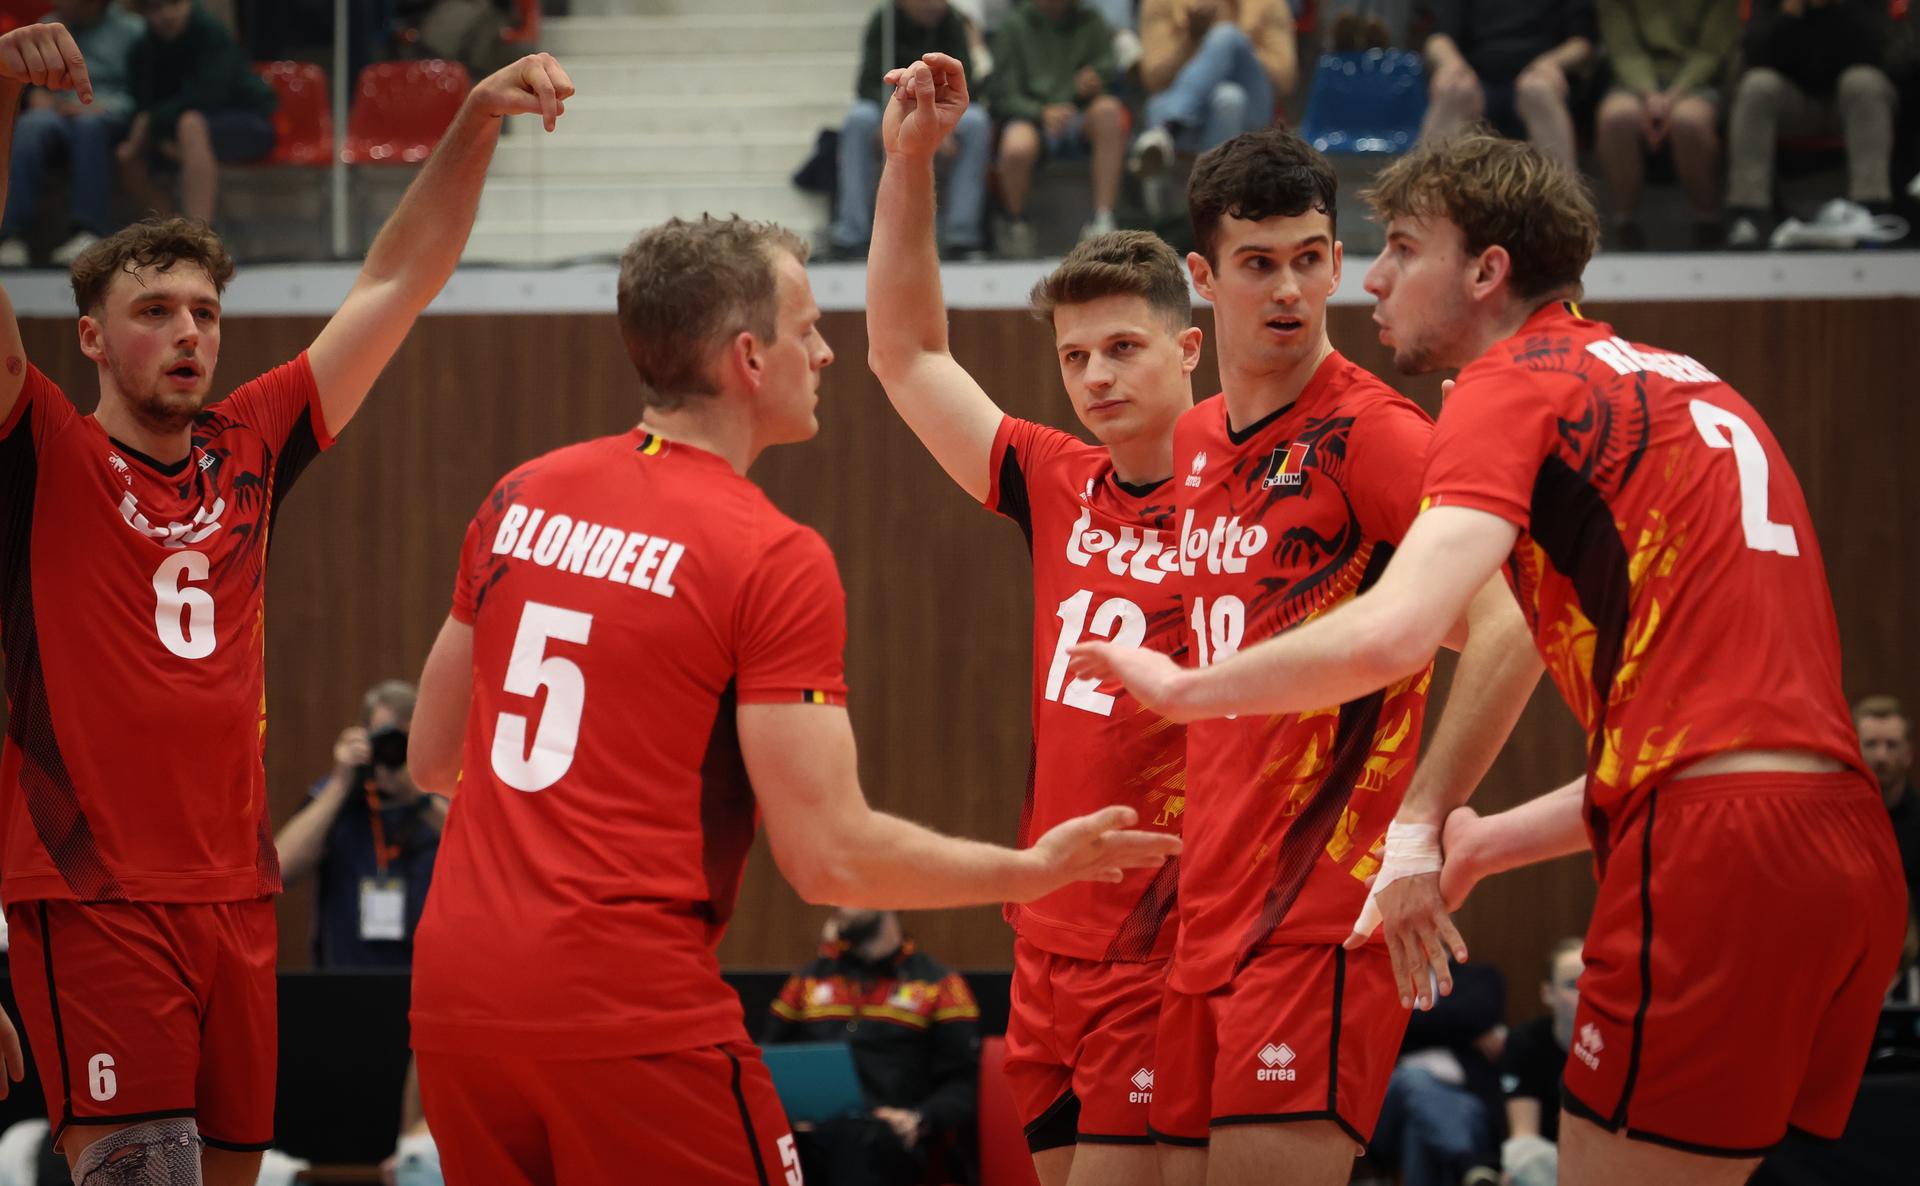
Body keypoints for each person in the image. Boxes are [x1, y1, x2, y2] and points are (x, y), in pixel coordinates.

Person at [1071, 130, 1908, 1184]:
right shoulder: (1694, 383)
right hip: (1843, 843)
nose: (1366, 277)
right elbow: (1708, 743)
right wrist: (1478, 841)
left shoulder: (1505, 388)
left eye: (1401, 249)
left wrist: (1189, 689)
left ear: (1487, 271)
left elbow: (1399, 630)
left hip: (1701, 850)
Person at [402, 213, 1181, 1186]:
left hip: (453, 1000)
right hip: (624, 1002)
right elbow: (829, 857)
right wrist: (1030, 869)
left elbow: (435, 758)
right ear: (748, 358)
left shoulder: (521, 493)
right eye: (807, 329)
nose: (823, 352)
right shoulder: (767, 551)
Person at [0, 20, 576, 1182]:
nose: (187, 332)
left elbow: (399, 279)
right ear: (92, 338)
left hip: (239, 891)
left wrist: (471, 122)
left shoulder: (252, 442)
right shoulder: (43, 449)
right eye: (155, 309)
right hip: (97, 894)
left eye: (205, 311)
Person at [1097, 125, 1536, 1186]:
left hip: (1321, 915)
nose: (1289, 288)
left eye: (1309, 257)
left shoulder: (1378, 434)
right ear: (1202, 278)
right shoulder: (1196, 438)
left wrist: (1422, 828)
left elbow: (1510, 625)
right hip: (1203, 918)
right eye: (1258, 264)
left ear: (1339, 260)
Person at [867, 54, 1194, 1186]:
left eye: (1122, 347)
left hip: (1170, 940)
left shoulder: (1258, 499)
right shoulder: (1054, 478)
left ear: (1189, 347)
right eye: (1073, 356)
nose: (1094, 376)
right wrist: (910, 164)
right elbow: (907, 357)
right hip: (1046, 933)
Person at [763, 909, 981, 1186]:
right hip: (811, 1133)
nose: (839, 900)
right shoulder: (807, 980)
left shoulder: (940, 985)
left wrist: (917, 1118)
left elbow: (964, 1084)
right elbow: (764, 1062)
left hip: (889, 1138)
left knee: (855, 1140)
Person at [274, 680, 445, 969]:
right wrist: (341, 784)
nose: (394, 752)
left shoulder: (437, 796)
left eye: (406, 741)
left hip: (426, 987)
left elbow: (482, 858)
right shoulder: (335, 796)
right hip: (343, 988)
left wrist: (419, 797)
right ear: (363, 737)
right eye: (385, 739)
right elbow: (279, 869)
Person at [1724, 0, 1904, 249]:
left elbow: (1878, 53)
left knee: (1864, 82)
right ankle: (1750, 215)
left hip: (1852, 104)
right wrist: (1789, 14)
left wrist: (1836, 9)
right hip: (1795, 103)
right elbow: (1756, 56)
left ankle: (1870, 211)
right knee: (1756, 86)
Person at [829, 0, 990, 260]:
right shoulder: (883, 21)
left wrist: (940, 121)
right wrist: (893, 117)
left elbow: (965, 82)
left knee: (977, 122)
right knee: (858, 120)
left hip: (940, 107)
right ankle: (852, 233)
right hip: (891, 106)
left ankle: (962, 235)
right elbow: (868, 83)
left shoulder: (954, 22)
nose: (933, 6)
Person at [0, 0, 145, 268]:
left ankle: (88, 231)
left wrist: (102, 106)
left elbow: (145, 89)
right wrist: (36, 95)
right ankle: (10, 235)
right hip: (57, 109)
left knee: (87, 126)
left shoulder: (132, 30)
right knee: (32, 123)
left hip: (108, 111)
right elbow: (31, 80)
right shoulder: (47, 23)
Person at [1592, 0, 1739, 249]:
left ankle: (1708, 223)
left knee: (1689, 120)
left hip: (1699, 81)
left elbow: (1712, 50)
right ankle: (1624, 226)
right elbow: (1623, 48)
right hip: (1634, 81)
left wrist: (1673, 97)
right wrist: (1650, 95)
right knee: (1616, 118)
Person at [121, 0, 279, 227]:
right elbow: (142, 103)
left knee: (190, 124)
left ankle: (199, 233)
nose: (166, 15)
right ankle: (167, 231)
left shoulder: (210, 33)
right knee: (127, 153)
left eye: (174, 4)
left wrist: (154, 122)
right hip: (173, 129)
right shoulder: (143, 49)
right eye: (155, 8)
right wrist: (156, 132)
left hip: (246, 122)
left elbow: (210, 96)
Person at [988, 0, 1127, 257]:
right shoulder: (1013, 27)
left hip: (1080, 113)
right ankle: (1016, 223)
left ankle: (1103, 219)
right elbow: (1001, 96)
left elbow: (1107, 71)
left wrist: (1095, 82)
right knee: (1017, 146)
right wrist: (1040, 112)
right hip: (1031, 116)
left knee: (1109, 110)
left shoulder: (1091, 21)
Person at [1421, 0, 1593, 168]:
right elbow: (1438, 38)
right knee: (1454, 89)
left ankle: (1561, 192)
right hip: (1478, 80)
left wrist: (1552, 63)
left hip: (1537, 76)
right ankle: (1426, 189)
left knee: (1538, 90)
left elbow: (1581, 43)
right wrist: (1451, 63)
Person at [1130, 0, 1293, 177]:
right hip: (1188, 112)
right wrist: (1192, 38)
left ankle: (1168, 127)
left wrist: (1236, 48)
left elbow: (1284, 80)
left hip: (1253, 108)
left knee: (1226, 35)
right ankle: (1214, 199)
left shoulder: (1270, 3)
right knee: (1229, 97)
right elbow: (1154, 78)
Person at [1499, 938, 1582, 1186]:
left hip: (1606, 1159)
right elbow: (1523, 1134)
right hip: (1547, 1162)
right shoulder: (1526, 1041)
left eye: (1593, 983)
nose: (1585, 993)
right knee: (1521, 1156)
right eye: (1573, 985)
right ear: (1548, 993)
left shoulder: (1622, 1045)